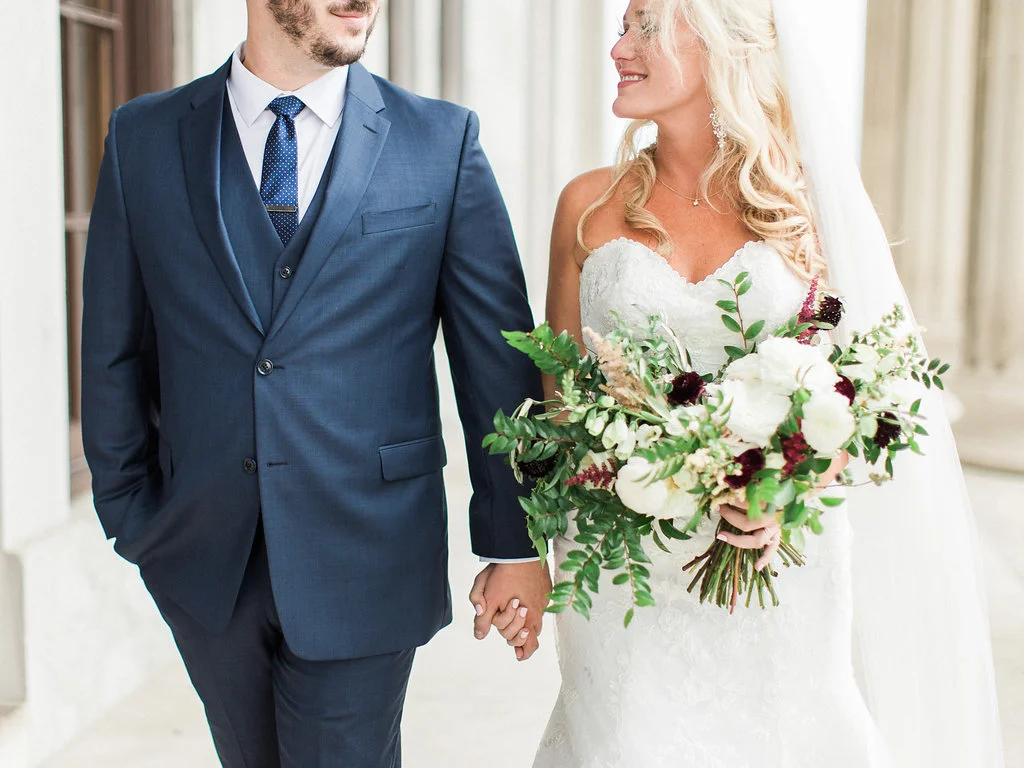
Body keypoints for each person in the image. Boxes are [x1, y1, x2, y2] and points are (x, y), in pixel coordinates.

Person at [521, 0, 1004, 766]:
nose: (620, 48)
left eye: (645, 25)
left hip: (778, 565)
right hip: (620, 569)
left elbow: (875, 394)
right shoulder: (589, 208)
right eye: (620, 26)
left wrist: (786, 489)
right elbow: (558, 406)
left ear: (723, 40)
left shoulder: (809, 207)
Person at [81, 1, 551, 765]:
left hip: (369, 547)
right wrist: (131, 513)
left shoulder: (440, 140)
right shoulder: (145, 137)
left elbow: (495, 361)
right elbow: (111, 344)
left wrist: (515, 539)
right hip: (202, 554)